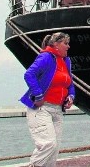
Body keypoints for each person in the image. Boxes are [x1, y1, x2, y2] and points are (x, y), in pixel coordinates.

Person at [21, 32, 75, 167]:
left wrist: (71, 95)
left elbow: (69, 83)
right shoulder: (46, 57)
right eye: (65, 43)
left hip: (57, 110)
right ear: (56, 44)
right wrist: (38, 94)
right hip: (41, 109)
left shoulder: (66, 61)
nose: (68, 47)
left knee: (54, 150)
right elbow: (29, 74)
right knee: (48, 144)